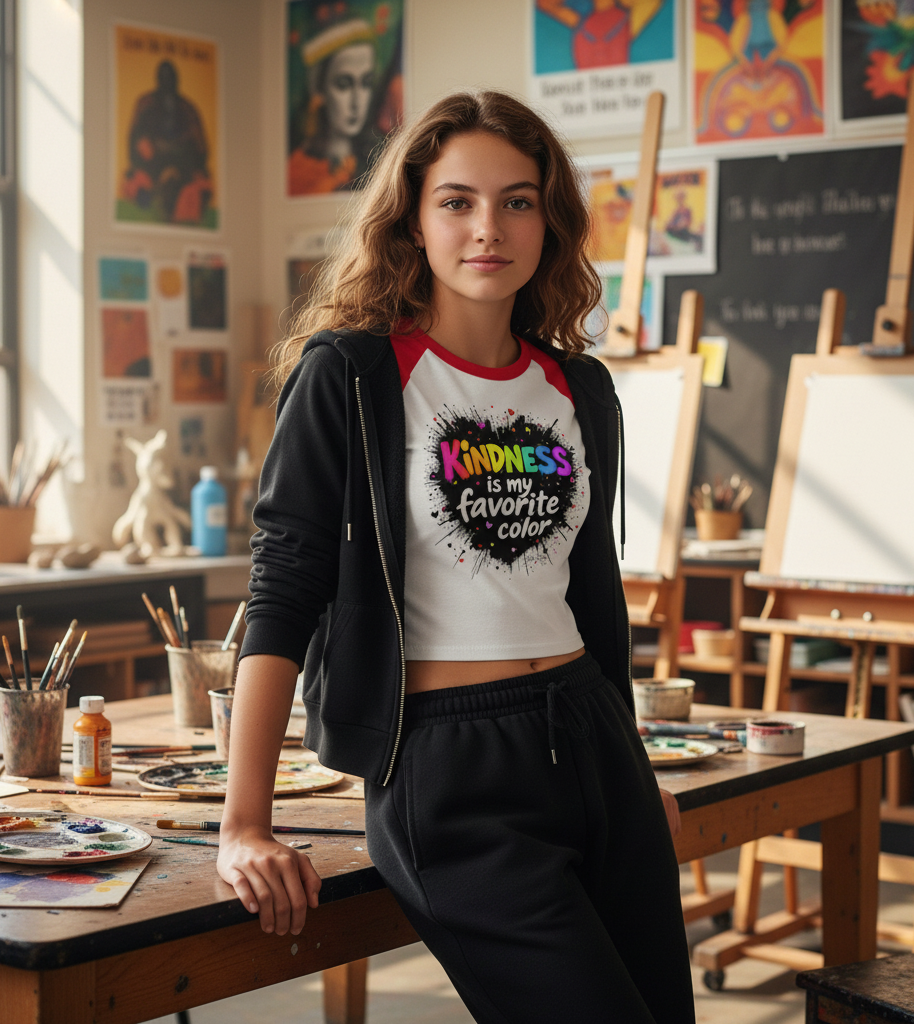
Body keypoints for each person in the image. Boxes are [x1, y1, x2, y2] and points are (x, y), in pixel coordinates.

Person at [219, 90, 696, 1024]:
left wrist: (630, 763)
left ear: (549, 223)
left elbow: (590, 596)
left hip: (594, 741)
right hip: (450, 770)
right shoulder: (352, 375)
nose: (489, 227)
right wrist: (245, 823)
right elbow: (283, 593)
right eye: (458, 201)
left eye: (518, 201)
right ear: (413, 220)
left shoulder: (579, 387)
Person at [288, 19, 381, 196]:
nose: (357, 101)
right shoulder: (298, 169)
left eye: (366, 83)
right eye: (344, 85)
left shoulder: (381, 160)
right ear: (319, 88)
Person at [121, 59, 213, 224]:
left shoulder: (188, 108)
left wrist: (183, 159)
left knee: (199, 187)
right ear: (158, 80)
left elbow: (201, 146)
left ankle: (179, 196)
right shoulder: (145, 103)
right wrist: (148, 149)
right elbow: (134, 138)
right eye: (164, 78)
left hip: (183, 165)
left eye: (171, 78)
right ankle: (149, 193)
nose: (167, 82)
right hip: (151, 164)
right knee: (135, 182)